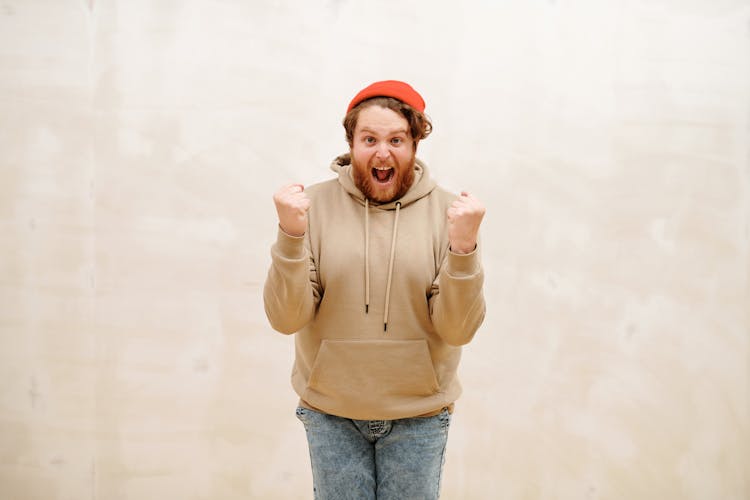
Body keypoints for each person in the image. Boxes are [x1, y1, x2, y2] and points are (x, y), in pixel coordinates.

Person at [263, 80, 486, 500]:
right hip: (331, 413)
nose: (383, 152)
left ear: (415, 144)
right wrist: (290, 236)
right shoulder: (310, 208)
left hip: (418, 415)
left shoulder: (451, 214)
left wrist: (463, 249)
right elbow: (286, 319)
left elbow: (458, 331)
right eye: (370, 139)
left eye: (396, 139)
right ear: (351, 143)